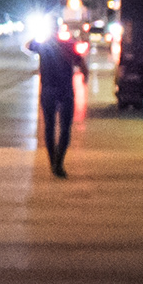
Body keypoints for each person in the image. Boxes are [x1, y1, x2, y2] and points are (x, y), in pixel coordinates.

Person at [35, 27, 88, 177]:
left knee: (49, 127)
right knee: (65, 128)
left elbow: (27, 46)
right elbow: (82, 64)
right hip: (65, 92)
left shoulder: (43, 45)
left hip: (48, 91)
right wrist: (85, 78)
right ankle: (59, 163)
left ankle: (53, 162)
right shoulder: (69, 45)